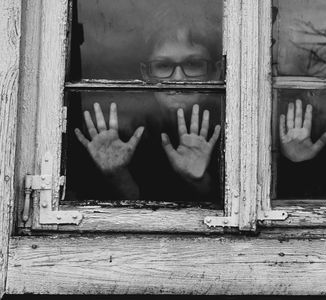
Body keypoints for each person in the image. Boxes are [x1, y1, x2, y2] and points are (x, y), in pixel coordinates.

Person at [72, 1, 223, 204]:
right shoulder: (129, 136)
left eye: (193, 64)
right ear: (146, 74)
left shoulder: (233, 136)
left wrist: (199, 181)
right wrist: (117, 174)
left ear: (215, 72)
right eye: (163, 65)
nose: (178, 78)